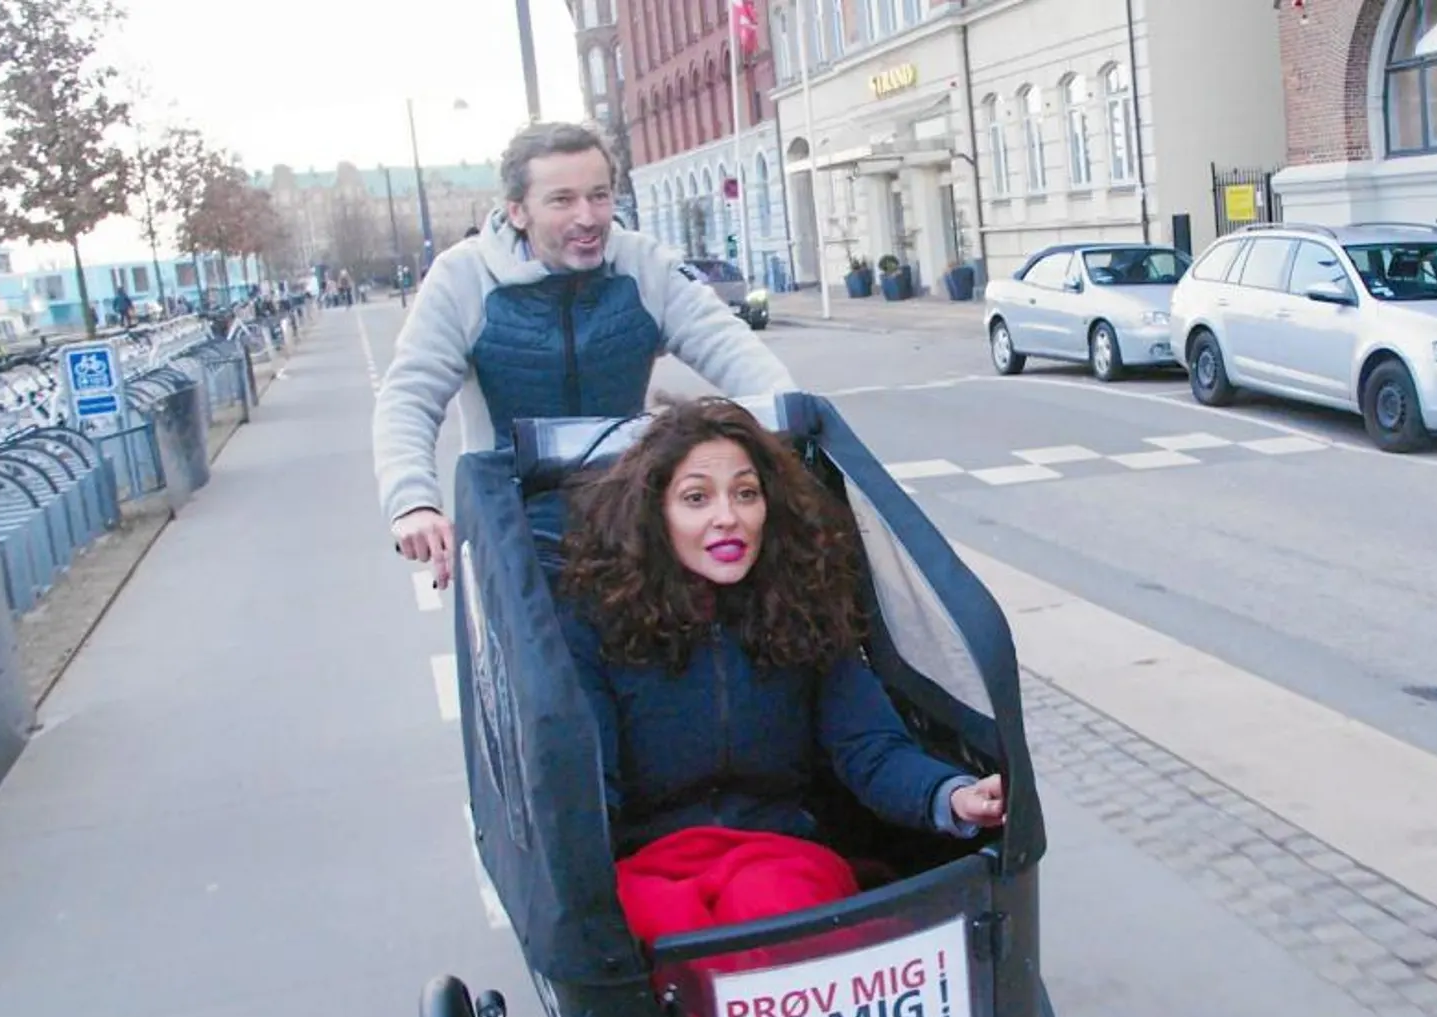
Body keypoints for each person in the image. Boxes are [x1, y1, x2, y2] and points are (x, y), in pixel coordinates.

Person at [553, 397, 1003, 946]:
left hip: (778, 849)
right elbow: (589, 780)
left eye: (746, 493)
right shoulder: (596, 626)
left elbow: (871, 748)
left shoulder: (802, 608)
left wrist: (952, 796)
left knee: (774, 913)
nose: (728, 516)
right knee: (668, 928)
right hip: (650, 860)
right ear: (655, 514)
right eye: (697, 498)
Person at [373, 121, 795, 589]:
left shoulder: (644, 265)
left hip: (625, 512)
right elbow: (409, 397)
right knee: (536, 654)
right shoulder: (463, 278)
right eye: (562, 200)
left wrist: (798, 424)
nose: (589, 216)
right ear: (517, 211)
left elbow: (732, 349)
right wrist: (413, 502)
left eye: (599, 195)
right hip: (512, 520)